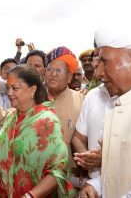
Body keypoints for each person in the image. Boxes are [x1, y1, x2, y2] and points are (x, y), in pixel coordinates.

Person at [0, 64, 74, 198]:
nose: (9, 93)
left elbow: (57, 171)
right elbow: (10, 154)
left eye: (15, 88)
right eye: (8, 87)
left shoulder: (47, 121)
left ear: (32, 90)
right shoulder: (12, 117)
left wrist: (30, 196)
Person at [79, 14, 131, 198]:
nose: (99, 72)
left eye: (105, 62)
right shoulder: (116, 104)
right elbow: (121, 170)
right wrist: (95, 185)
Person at [44, 46, 85, 188]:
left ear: (69, 77)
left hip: (69, 178)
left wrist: (85, 168)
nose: (53, 74)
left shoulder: (82, 101)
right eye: (49, 69)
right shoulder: (32, 98)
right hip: (36, 176)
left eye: (59, 70)